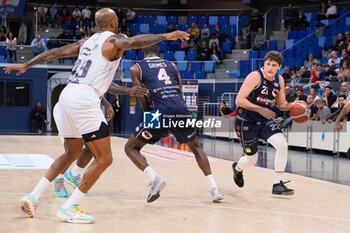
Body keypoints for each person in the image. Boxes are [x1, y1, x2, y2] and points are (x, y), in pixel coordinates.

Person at [4, 8, 189, 224]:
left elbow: (56, 53)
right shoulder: (115, 39)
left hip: (66, 95)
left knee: (71, 153)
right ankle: (70, 207)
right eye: (117, 20)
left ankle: (32, 196)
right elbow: (134, 43)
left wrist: (27, 64)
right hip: (84, 99)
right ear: (112, 23)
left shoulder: (86, 42)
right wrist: (165, 36)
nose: (118, 23)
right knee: (104, 159)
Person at [124, 45, 224, 203]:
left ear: (143, 52)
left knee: (130, 148)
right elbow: (179, 89)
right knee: (196, 147)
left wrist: (150, 118)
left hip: (157, 112)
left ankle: (154, 177)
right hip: (181, 108)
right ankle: (214, 188)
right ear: (159, 53)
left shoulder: (136, 68)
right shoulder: (172, 65)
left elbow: (141, 95)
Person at [53, 83, 148, 198]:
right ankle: (58, 180)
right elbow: (108, 85)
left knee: (91, 147)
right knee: (71, 152)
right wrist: (128, 90)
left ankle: (74, 174)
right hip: (67, 109)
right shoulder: (94, 70)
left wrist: (107, 105)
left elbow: (100, 90)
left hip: (84, 110)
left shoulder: (101, 75)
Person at [232, 51, 295, 195]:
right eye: (268, 64)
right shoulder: (255, 77)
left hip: (265, 119)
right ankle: (237, 169)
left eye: (273, 65)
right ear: (264, 64)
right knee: (252, 160)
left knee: (282, 144)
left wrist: (296, 106)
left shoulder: (279, 80)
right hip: (246, 120)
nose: (270, 68)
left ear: (279, 67)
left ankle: (277, 184)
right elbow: (239, 100)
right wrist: (260, 109)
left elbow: (282, 104)